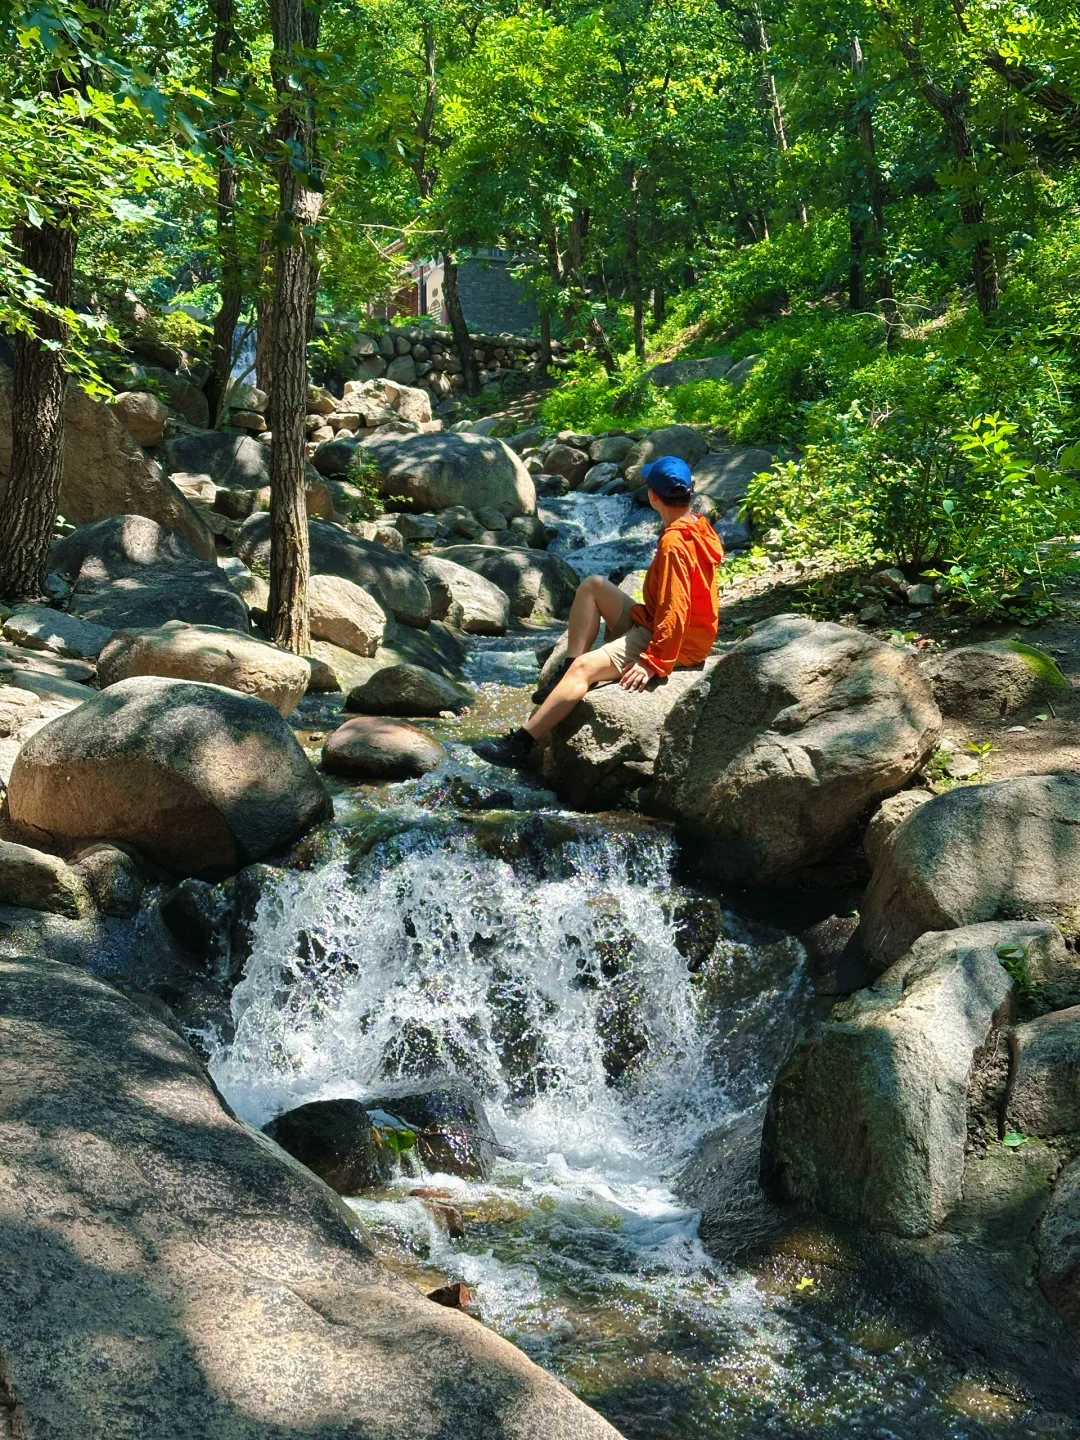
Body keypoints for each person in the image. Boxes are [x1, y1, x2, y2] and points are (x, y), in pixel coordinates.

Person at [471, 454, 724, 768]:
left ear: (652, 496)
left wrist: (652, 662)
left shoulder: (674, 543)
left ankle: (520, 745)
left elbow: (676, 609)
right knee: (592, 585)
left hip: (675, 640)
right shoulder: (697, 524)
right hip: (667, 624)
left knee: (585, 670)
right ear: (692, 490)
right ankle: (566, 672)